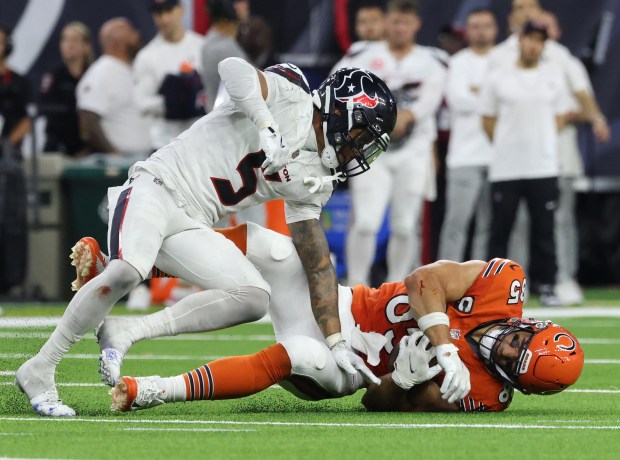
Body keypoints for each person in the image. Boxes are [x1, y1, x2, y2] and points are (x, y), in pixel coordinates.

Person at [14, 59, 397, 417]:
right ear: (342, 111)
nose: (358, 149)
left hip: (194, 220)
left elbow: (317, 263)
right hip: (158, 184)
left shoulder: (317, 180)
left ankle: (125, 330)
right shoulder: (291, 93)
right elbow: (232, 68)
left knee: (252, 297)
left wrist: (335, 343)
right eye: (361, 135)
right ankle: (40, 368)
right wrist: (266, 125)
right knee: (127, 271)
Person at [68, 223, 583, 412]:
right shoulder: (501, 285)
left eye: (513, 363)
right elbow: (422, 280)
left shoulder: (484, 393)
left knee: (297, 355)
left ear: (518, 385)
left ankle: (151, 390)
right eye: (520, 344)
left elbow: (379, 403)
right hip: (336, 307)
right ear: (531, 327)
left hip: (347, 369)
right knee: (270, 249)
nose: (504, 350)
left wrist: (399, 379)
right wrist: (444, 346)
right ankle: (129, 265)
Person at [333, 0, 446, 285]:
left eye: (405, 23)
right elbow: (336, 86)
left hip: (414, 149)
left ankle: (397, 287)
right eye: (395, 22)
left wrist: (408, 115)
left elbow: (430, 101)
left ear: (416, 25)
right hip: (372, 149)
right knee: (366, 221)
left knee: (406, 226)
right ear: (387, 22)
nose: (400, 28)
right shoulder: (363, 56)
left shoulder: (431, 61)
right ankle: (357, 285)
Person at [481, 21, 565, 306]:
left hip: (543, 166)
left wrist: (540, 142)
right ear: (520, 39)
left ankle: (547, 285)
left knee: (545, 229)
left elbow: (562, 115)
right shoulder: (499, 77)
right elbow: (487, 120)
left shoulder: (553, 75)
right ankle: (494, 288)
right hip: (506, 168)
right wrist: (509, 146)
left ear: (544, 44)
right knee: (500, 229)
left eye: (540, 40)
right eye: (530, 38)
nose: (534, 45)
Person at [438, 9, 498, 262]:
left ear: (496, 29)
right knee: (456, 223)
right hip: (464, 156)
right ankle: (447, 280)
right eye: (475, 26)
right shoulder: (457, 62)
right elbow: (457, 100)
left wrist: (478, 92)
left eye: (486, 25)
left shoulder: (505, 59)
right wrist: (493, 98)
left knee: (490, 227)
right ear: (467, 31)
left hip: (501, 158)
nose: (481, 31)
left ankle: (483, 284)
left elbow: (509, 100)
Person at [134, 0, 205, 151]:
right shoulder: (147, 56)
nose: (164, 19)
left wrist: (197, 100)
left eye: (169, 10)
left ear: (181, 9)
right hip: (164, 145)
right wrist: (170, 103)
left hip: (200, 141)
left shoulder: (201, 47)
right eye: (159, 13)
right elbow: (141, 102)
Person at [76, 18, 151, 155]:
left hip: (142, 158)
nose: (137, 36)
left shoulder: (131, 68)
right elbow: (88, 118)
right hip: (117, 165)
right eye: (132, 34)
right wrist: (111, 152)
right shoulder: (101, 73)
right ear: (119, 44)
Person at [39, 22, 93, 157]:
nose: (69, 44)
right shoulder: (53, 78)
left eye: (74, 40)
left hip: (91, 148)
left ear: (87, 46)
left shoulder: (95, 77)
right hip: (58, 148)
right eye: (65, 39)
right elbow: (50, 115)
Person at [201, 0, 248, 112]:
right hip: (227, 123)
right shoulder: (224, 48)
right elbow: (250, 92)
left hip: (222, 121)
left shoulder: (217, 42)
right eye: (239, 2)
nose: (245, 4)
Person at [0, 25, 31, 152]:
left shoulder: (19, 83)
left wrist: (6, 145)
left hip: (7, 155)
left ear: (7, 47)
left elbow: (28, 120)